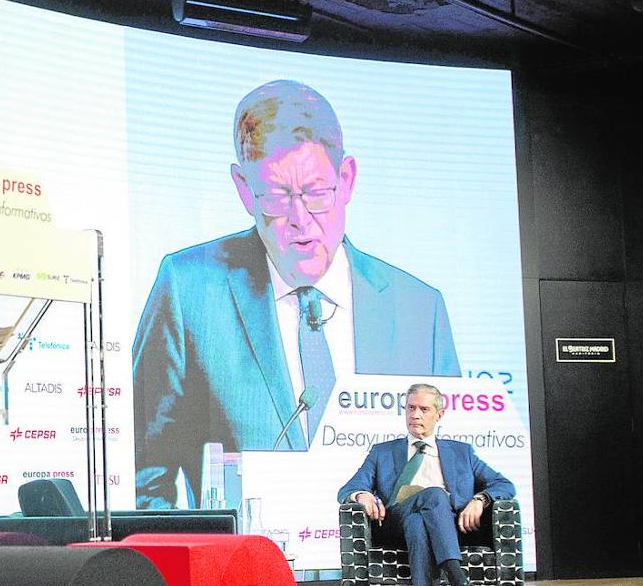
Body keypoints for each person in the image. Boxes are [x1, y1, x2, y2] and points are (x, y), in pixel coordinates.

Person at [134, 79, 459, 508]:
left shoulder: (420, 310)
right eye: (277, 196)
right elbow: (144, 481)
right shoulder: (188, 289)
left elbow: (453, 468)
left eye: (316, 192)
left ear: (346, 180)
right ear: (243, 189)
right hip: (246, 572)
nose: (301, 220)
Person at [337, 383, 513, 586]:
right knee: (433, 496)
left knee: (421, 522)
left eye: (423, 409)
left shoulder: (460, 452)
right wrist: (362, 496)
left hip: (443, 527)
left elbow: (504, 484)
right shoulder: (382, 452)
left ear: (439, 415)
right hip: (395, 521)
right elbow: (347, 489)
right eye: (410, 408)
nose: (415, 415)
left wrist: (480, 500)